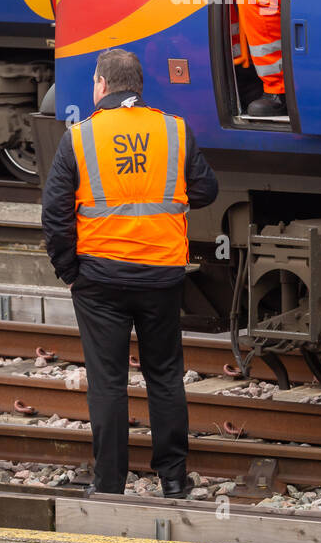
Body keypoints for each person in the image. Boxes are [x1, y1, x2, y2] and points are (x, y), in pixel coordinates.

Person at [41, 48, 218, 497]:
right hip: (161, 275)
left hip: (99, 279)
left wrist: (70, 272)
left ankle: (109, 483)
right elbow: (206, 190)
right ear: (138, 87)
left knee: (108, 381)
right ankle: (174, 480)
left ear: (100, 85)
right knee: (164, 376)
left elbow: (55, 214)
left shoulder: (78, 138)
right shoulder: (173, 130)